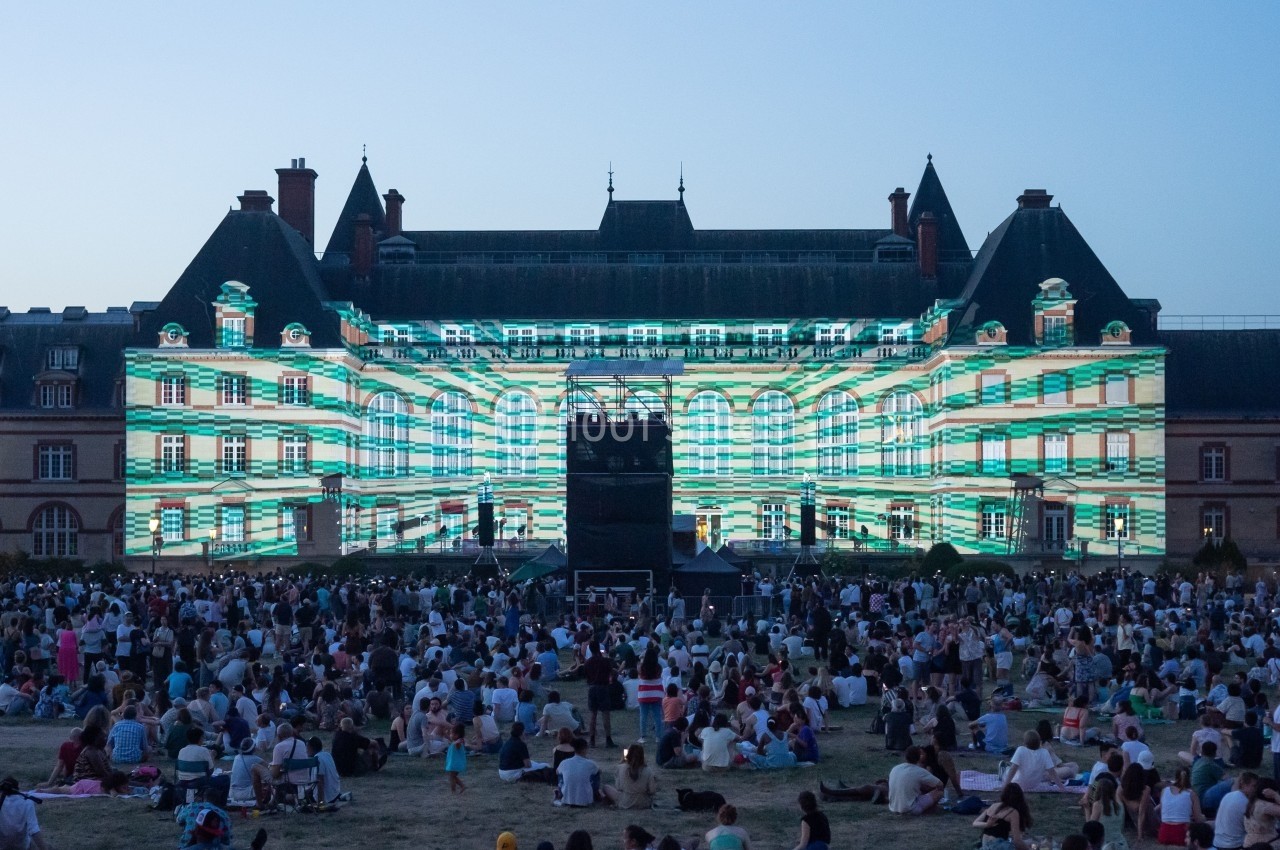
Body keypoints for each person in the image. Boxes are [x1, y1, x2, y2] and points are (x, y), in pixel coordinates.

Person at [972, 783, 1033, 850]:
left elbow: (975, 823)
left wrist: (987, 825)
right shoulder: (1013, 812)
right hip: (999, 845)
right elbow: (1017, 841)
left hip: (985, 844)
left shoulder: (993, 806)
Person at [888, 745, 944, 815]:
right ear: (919, 757)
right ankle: (930, 810)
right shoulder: (919, 771)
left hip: (893, 808)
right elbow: (940, 784)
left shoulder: (895, 768)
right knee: (939, 792)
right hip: (911, 809)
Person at [1157, 766, 1204, 846]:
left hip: (1164, 834)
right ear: (1189, 778)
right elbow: (1198, 820)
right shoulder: (1192, 794)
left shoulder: (1164, 791)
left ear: (1175, 777)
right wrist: (1203, 818)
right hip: (1182, 835)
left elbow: (1163, 814)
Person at [0, 777, 50, 850]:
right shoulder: (27, 802)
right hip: (22, 846)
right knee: (48, 846)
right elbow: (34, 831)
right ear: (17, 789)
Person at [603, 744, 656, 809]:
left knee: (606, 787)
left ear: (628, 755)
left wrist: (622, 762)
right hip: (643, 803)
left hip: (625, 801)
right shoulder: (648, 770)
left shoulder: (620, 767)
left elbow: (618, 787)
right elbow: (652, 791)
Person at [1085, 773, 1128, 850]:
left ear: (1098, 791)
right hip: (1121, 844)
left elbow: (1090, 829)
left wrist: (1087, 809)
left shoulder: (1098, 805)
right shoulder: (1120, 805)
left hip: (1105, 845)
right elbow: (1121, 827)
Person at [555, 738, 599, 807]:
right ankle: (595, 794)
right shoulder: (590, 763)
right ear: (585, 749)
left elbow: (557, 772)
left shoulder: (564, 762)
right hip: (586, 801)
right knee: (595, 774)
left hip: (567, 800)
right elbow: (598, 771)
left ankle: (561, 794)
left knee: (561, 775)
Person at [305, 737, 345, 806]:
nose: (306, 750)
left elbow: (320, 782)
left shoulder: (317, 759)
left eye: (307, 747)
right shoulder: (327, 755)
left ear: (311, 748)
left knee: (296, 796)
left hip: (327, 797)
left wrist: (320, 802)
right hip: (335, 793)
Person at [445, 722, 467, 794]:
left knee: (452, 777)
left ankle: (453, 791)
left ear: (456, 735)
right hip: (455, 763)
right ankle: (462, 786)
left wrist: (458, 742)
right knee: (453, 776)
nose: (450, 735)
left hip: (455, 764)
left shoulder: (458, 742)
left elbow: (457, 744)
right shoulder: (455, 741)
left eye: (451, 733)